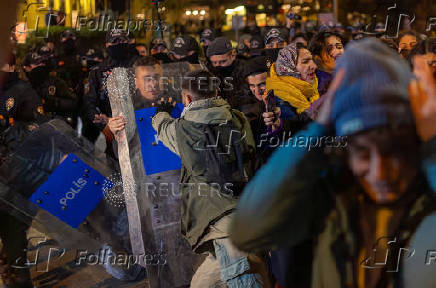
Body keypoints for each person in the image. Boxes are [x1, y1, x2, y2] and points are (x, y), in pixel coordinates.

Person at [230, 38, 436, 288]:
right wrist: (318, 129)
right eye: (362, 154)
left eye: (391, 152)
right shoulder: (328, 199)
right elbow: (247, 231)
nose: (379, 170)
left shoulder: (423, 195)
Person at [151, 69, 271, 287]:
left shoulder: (183, 130)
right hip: (249, 211)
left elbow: (161, 127)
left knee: (245, 279)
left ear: (187, 98)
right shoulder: (238, 118)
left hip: (226, 226)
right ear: (216, 91)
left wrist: (161, 111)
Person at [82, 29, 137, 144]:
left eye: (122, 40)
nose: (119, 44)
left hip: (138, 121)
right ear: (107, 45)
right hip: (112, 125)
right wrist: (105, 124)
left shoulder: (139, 65)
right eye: (115, 41)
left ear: (128, 42)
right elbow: (89, 103)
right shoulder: (97, 71)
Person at [23, 51, 78, 128]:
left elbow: (73, 102)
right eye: (36, 64)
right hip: (32, 129)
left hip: (54, 127)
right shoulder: (23, 87)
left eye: (41, 63)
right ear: (27, 68)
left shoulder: (56, 82)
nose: (40, 65)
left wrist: (56, 103)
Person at [266, 43, 317, 122]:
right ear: (288, 68)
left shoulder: (313, 88)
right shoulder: (278, 100)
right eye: (305, 62)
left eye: (312, 60)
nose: (314, 66)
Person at [206, 37, 247, 109]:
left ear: (233, 55)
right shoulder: (209, 72)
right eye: (214, 62)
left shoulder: (245, 70)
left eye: (222, 61)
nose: (217, 66)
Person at [309, 30, 345, 97]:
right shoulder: (316, 83)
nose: (336, 51)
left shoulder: (345, 76)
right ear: (317, 58)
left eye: (339, 47)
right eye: (330, 49)